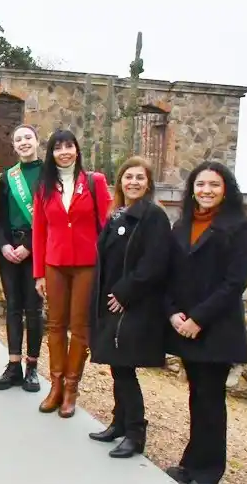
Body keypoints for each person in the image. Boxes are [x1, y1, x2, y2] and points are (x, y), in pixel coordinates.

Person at [164, 161, 247, 484]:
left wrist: (198, 318)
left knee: (211, 400)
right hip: (185, 325)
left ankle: (208, 473)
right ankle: (191, 463)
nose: (206, 190)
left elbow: (234, 283)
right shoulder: (182, 225)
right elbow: (169, 274)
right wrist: (172, 313)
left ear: (226, 190)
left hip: (216, 328)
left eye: (214, 185)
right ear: (192, 189)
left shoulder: (239, 228)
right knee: (196, 396)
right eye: (200, 184)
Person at [88, 156, 171, 458]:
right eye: (128, 177)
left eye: (140, 178)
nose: (133, 182)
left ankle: (135, 433)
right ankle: (119, 423)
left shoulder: (153, 216)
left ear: (148, 184)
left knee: (124, 368)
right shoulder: (116, 215)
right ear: (120, 181)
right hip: (111, 302)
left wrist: (125, 293)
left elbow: (155, 262)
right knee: (116, 365)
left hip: (132, 304)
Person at [32, 129, 111, 418]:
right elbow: (39, 231)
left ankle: (71, 389)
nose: (64, 152)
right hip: (54, 264)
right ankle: (55, 386)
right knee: (55, 325)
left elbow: (106, 224)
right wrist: (39, 273)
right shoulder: (44, 186)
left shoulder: (94, 181)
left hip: (87, 264)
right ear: (51, 153)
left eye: (69, 146)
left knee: (80, 327)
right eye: (58, 148)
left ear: (77, 150)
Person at [0, 124, 44, 392]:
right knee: (13, 307)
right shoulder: (7, 177)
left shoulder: (48, 174)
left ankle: (32, 367)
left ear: (37, 141)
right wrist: (3, 245)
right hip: (9, 250)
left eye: (28, 138)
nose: (23, 142)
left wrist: (29, 246)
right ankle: (13, 366)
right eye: (18, 139)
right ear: (14, 145)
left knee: (33, 309)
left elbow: (51, 217)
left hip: (36, 249)